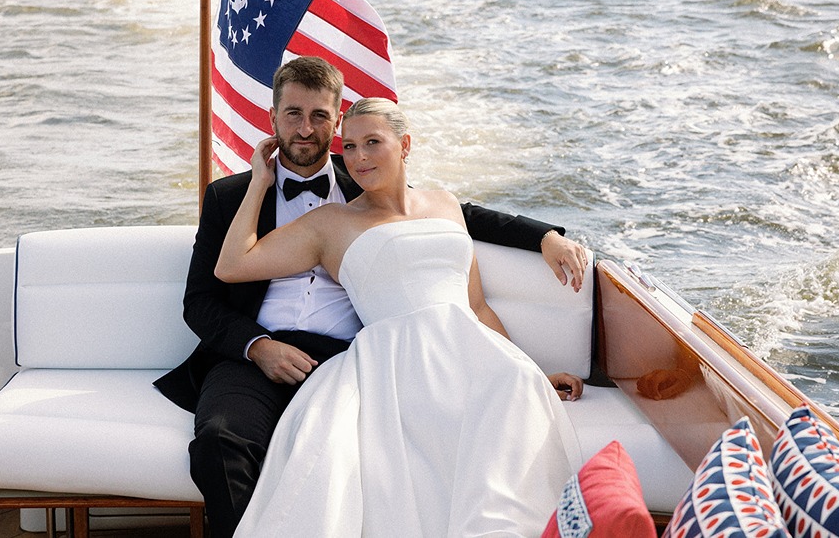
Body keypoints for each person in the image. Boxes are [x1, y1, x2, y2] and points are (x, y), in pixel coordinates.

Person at [153, 57, 589, 538]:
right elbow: (205, 296)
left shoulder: (372, 181)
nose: (305, 128)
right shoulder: (230, 197)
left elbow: (462, 237)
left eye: (320, 116)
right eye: (293, 114)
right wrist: (259, 345)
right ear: (272, 119)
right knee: (221, 441)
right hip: (259, 352)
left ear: (337, 122)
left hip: (346, 354)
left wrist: (545, 237)